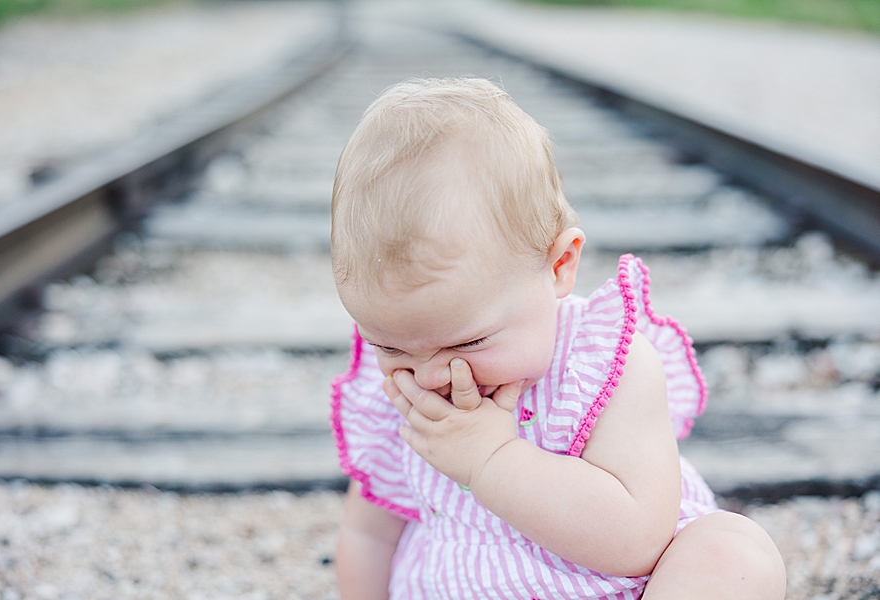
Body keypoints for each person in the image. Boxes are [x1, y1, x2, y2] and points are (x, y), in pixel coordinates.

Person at [329, 77, 785, 599]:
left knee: (733, 551)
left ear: (560, 265)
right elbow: (368, 533)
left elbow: (638, 538)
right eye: (392, 347)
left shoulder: (604, 368)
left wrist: (491, 461)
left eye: (470, 343)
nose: (433, 376)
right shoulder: (399, 397)